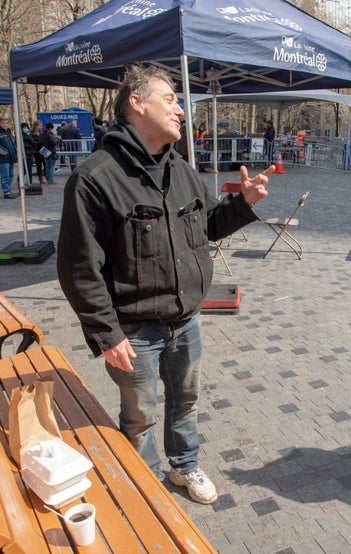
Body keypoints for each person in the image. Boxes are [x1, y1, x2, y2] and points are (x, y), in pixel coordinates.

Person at [56, 64, 274, 505]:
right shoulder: (95, 179)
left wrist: (243, 204)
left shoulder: (183, 170)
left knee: (186, 402)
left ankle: (185, 466)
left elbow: (209, 224)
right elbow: (80, 267)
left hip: (186, 321)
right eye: (171, 98)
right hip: (133, 331)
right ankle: (144, 488)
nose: (180, 109)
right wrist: (106, 334)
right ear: (136, 103)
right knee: (139, 417)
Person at [0, 116, 18, 199]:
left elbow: (12, 144)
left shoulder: (8, 132)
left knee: (11, 175)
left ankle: (9, 190)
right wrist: (4, 152)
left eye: (6, 123)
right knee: (5, 176)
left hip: (11, 157)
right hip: (3, 158)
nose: (5, 124)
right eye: (3, 123)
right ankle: (6, 192)